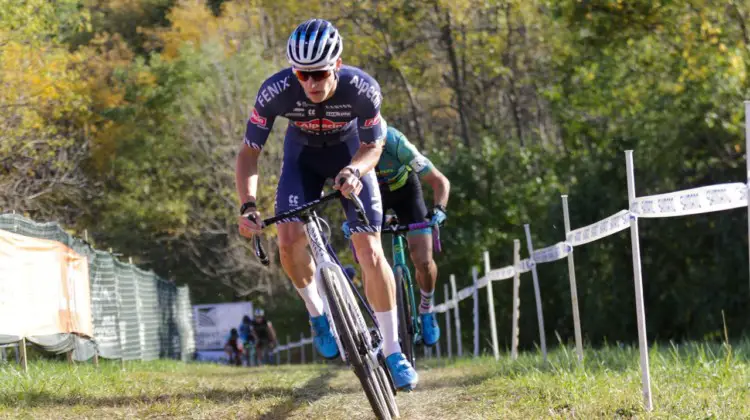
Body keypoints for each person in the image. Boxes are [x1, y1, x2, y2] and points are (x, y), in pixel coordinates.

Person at [235, 18, 418, 390]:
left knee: (369, 251)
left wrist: (355, 170)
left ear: (336, 65)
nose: (311, 83)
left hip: (351, 154)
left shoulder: (363, 89)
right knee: (287, 241)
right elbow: (249, 153)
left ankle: (393, 349)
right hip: (301, 157)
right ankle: (318, 314)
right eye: (303, 75)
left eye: (318, 73)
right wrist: (247, 205)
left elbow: (374, 145)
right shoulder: (276, 91)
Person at [374, 126, 450, 347]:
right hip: (374, 197)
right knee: (369, 256)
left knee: (423, 260)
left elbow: (439, 181)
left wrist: (440, 209)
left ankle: (426, 308)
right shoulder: (349, 142)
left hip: (406, 194)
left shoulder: (398, 144)